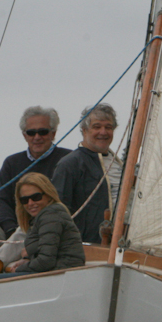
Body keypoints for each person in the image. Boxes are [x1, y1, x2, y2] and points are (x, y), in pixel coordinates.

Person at [0, 106, 71, 285]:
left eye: (43, 132)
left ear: (53, 133)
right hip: (14, 231)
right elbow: (1, 201)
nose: (37, 137)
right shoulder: (12, 163)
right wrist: (11, 230)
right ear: (24, 135)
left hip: (47, 230)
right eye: (31, 132)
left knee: (30, 226)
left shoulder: (67, 160)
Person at [0, 173, 85, 283]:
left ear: (48, 195)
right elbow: (47, 252)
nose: (30, 203)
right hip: (55, 272)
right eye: (25, 200)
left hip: (60, 274)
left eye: (36, 197)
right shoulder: (42, 217)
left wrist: (19, 269)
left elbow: (46, 261)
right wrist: (26, 260)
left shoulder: (51, 216)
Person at [51, 104, 123, 244]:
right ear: (84, 130)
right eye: (97, 127)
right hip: (87, 245)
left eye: (108, 127)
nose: (103, 132)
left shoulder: (119, 164)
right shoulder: (70, 164)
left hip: (121, 243)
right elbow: (57, 212)